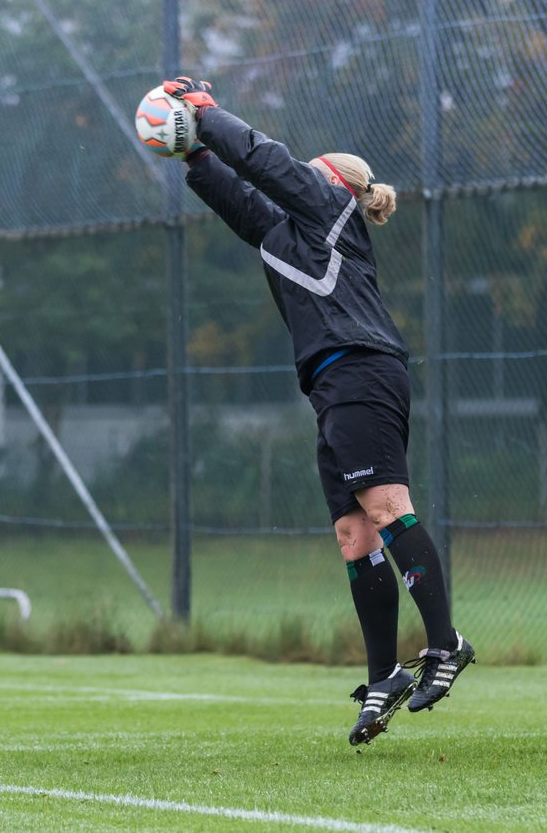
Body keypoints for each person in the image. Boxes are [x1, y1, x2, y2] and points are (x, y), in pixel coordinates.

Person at [162, 77, 475, 746]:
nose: (295, 177)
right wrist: (193, 154)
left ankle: (446, 643)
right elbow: (244, 199)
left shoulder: (334, 208)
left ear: (333, 183)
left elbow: (265, 163)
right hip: (333, 384)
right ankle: (386, 673)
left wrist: (205, 110)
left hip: (362, 369)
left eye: (307, 173)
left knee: (388, 508)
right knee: (354, 536)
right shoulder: (285, 236)